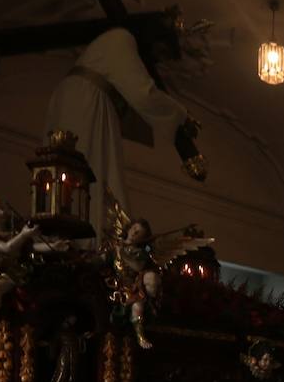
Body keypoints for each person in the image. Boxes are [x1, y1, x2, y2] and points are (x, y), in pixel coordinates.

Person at [43, 24, 197, 237]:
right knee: (92, 170)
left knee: (72, 171)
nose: (155, 61)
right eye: (159, 52)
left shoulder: (105, 51)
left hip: (74, 101)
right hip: (87, 104)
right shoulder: (122, 39)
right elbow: (144, 94)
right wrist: (181, 115)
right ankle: (90, 237)